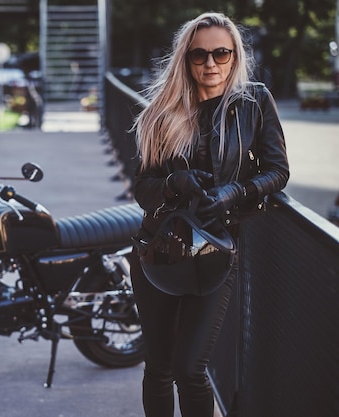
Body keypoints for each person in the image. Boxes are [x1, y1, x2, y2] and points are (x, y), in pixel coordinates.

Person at [131, 12, 289, 417]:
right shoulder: (161, 113)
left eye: (221, 53)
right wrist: (173, 184)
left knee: (190, 368)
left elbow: (278, 170)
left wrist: (237, 190)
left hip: (219, 249)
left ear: (235, 55)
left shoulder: (254, 102)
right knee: (160, 368)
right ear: (185, 59)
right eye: (199, 55)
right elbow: (142, 190)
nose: (210, 64)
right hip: (161, 249)